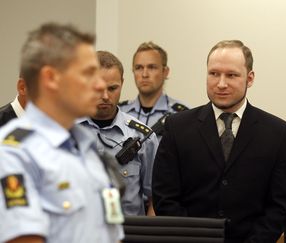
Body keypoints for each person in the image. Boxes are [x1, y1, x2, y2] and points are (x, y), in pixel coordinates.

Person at [152, 40, 286, 243]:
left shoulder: (277, 132)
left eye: (232, 75)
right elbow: (164, 197)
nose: (221, 83)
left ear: (250, 78)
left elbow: (281, 205)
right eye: (214, 74)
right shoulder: (177, 127)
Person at [0, 23, 123, 243]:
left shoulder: (88, 148)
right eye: (88, 74)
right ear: (51, 78)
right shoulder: (15, 152)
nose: (99, 86)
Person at [80, 50, 159, 216]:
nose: (105, 96)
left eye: (112, 88)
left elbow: (155, 199)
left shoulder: (143, 137)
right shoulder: (65, 132)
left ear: (122, 83)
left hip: (129, 233)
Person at [119, 41, 188, 139]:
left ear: (165, 72)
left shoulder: (182, 115)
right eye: (139, 68)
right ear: (133, 71)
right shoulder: (120, 112)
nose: (144, 74)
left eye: (151, 67)